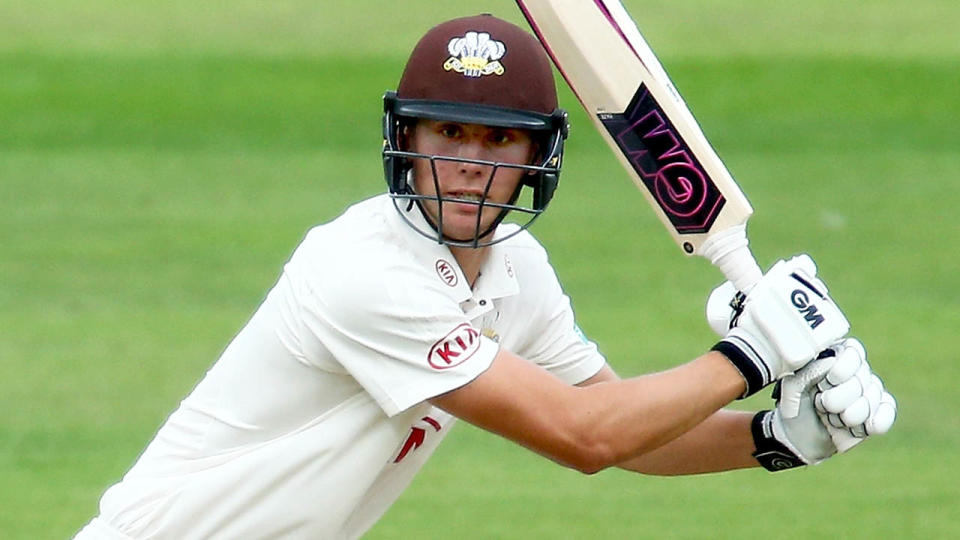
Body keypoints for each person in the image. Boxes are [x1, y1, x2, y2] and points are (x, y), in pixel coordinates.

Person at [75, 14, 896, 539]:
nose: (468, 164)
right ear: (408, 137)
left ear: (539, 155)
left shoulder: (516, 272)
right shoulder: (362, 271)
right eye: (449, 132)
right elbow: (583, 438)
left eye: (499, 141)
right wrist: (748, 358)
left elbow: (624, 432)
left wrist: (777, 439)